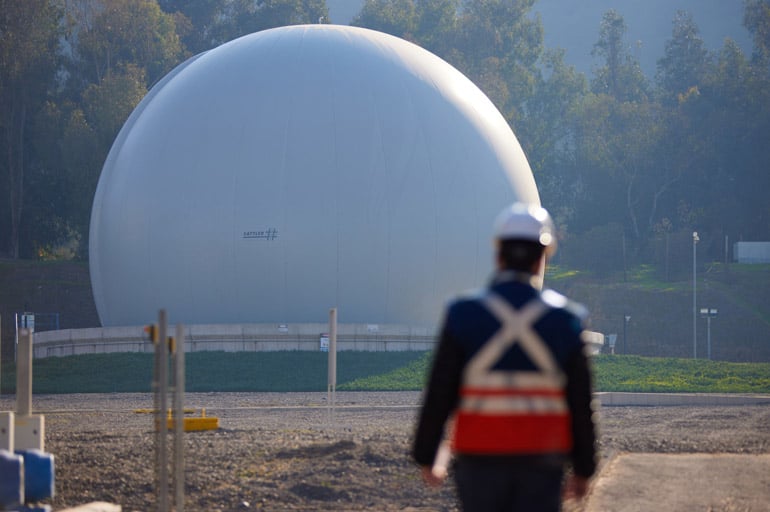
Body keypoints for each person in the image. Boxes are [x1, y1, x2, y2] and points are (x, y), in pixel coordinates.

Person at [412, 202, 597, 512]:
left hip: (478, 462)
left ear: (498, 255)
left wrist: (426, 453)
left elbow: (439, 392)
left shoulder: (462, 314)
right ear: (543, 258)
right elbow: (580, 402)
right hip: (542, 462)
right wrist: (584, 468)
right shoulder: (568, 320)